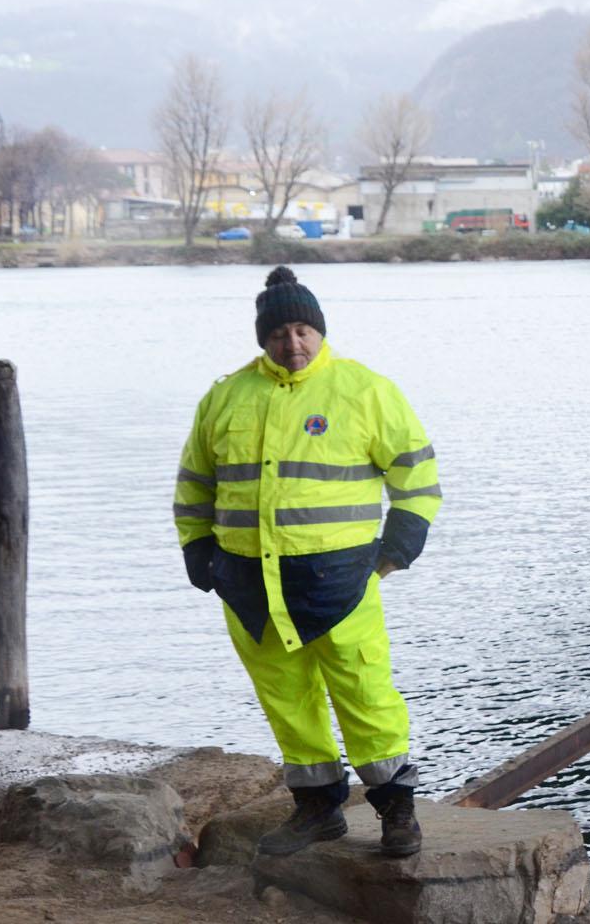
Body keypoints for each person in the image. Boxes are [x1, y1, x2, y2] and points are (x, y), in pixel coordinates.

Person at [173, 266, 441, 858]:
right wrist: (199, 551)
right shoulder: (225, 397)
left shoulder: (365, 390)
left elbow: (417, 479)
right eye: (278, 334)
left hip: (342, 581)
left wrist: (394, 551)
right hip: (249, 585)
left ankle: (397, 813)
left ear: (319, 330)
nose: (291, 345)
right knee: (287, 700)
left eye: (302, 330)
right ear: (261, 337)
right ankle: (318, 809)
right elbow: (195, 485)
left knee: (366, 696)